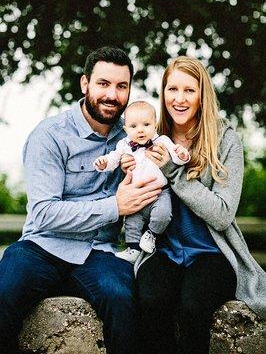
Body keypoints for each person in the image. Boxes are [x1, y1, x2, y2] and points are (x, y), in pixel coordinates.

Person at [0, 46, 163, 354]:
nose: (112, 95)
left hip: (98, 251)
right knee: (4, 291)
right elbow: (44, 212)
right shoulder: (50, 135)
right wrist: (114, 206)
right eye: (103, 84)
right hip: (42, 246)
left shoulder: (132, 138)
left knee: (122, 299)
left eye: (121, 86)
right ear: (85, 84)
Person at [122, 56, 266, 354]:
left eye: (189, 90)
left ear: (203, 94)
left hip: (213, 253)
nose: (179, 99)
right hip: (165, 249)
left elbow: (223, 215)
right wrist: (128, 172)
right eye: (172, 89)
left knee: (193, 306)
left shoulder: (225, 140)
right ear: (163, 94)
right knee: (150, 299)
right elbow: (132, 186)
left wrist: (174, 174)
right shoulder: (150, 135)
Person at [94, 101, 190, 263]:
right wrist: (104, 163)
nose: (140, 130)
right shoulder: (123, 145)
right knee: (132, 222)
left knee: (163, 215)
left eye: (146, 124)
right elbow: (113, 159)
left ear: (155, 125)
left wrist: (182, 155)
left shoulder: (163, 141)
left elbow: (176, 156)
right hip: (136, 193)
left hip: (160, 192)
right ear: (125, 129)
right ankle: (133, 249)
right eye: (133, 126)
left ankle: (151, 235)